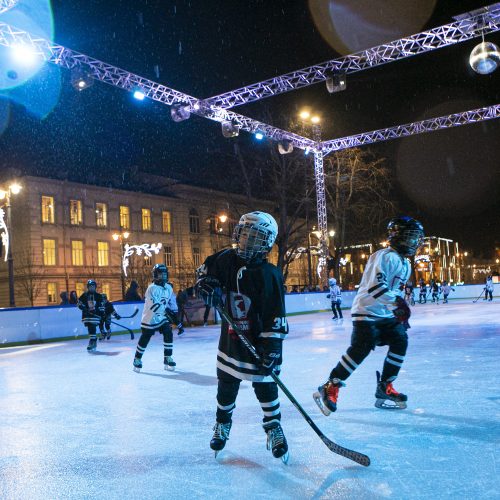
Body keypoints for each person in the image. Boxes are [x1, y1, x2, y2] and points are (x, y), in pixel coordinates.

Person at [197, 211, 289, 462]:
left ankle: (273, 426)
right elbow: (204, 274)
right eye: (246, 233)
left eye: (256, 236)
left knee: (266, 386)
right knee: (227, 383)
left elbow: (275, 313)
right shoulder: (225, 259)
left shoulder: (269, 274)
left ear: (267, 242)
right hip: (232, 338)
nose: (248, 240)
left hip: (259, 340)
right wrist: (207, 285)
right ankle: (222, 424)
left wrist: (271, 347)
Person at [313, 216, 424, 413]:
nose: (415, 243)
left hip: (385, 314)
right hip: (366, 312)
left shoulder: (405, 263)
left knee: (401, 340)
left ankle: (385, 386)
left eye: (416, 238)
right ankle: (331, 385)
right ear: (397, 236)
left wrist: (397, 313)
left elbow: (394, 291)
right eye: (410, 237)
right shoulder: (385, 256)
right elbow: (375, 287)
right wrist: (396, 303)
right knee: (360, 349)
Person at [132, 264, 181, 372]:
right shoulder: (151, 288)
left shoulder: (168, 287)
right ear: (155, 275)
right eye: (160, 274)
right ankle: (137, 358)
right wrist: (167, 313)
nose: (163, 277)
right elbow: (154, 305)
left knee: (168, 332)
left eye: (164, 274)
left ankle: (167, 357)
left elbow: (171, 302)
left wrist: (175, 316)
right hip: (149, 318)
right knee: (145, 338)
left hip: (161, 317)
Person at [77, 280, 105, 352]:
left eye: (93, 286)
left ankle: (92, 341)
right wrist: (83, 307)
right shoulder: (84, 295)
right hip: (87, 316)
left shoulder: (98, 296)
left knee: (92, 327)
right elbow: (79, 304)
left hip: (95, 316)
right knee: (90, 328)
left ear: (95, 287)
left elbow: (101, 306)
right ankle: (93, 341)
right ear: (88, 287)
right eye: (90, 286)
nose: (91, 288)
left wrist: (101, 313)